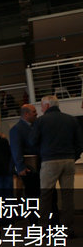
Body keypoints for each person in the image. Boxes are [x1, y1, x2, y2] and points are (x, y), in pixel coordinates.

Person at [31, 95, 83, 232]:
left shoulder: (41, 121)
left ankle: (43, 226)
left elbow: (33, 141)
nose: (41, 109)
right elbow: (80, 143)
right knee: (67, 196)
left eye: (42, 106)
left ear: (47, 106)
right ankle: (67, 227)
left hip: (49, 161)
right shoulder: (71, 119)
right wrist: (74, 157)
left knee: (46, 195)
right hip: (68, 161)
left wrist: (43, 153)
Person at [9, 105, 40, 199]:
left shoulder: (36, 126)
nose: (36, 114)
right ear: (26, 114)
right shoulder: (16, 129)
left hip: (39, 166)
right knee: (32, 194)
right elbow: (16, 149)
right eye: (34, 112)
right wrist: (20, 167)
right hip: (28, 168)